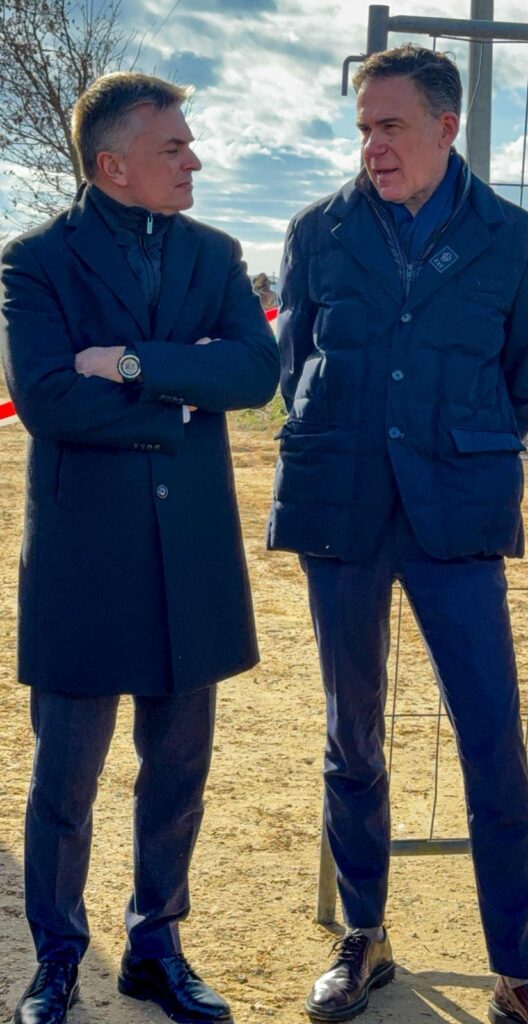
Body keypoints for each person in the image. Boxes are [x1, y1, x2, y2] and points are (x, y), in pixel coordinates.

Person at [267, 44, 528, 1024]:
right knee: (350, 734)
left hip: (457, 515)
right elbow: (295, 365)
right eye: (364, 129)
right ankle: (365, 936)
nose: (373, 147)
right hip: (342, 510)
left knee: (492, 741)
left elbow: (524, 379)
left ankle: (518, 972)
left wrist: (451, 448)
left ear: (447, 126)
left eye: (390, 126)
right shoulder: (318, 231)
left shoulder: (513, 238)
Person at [1, 71, 279, 1024]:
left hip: (191, 554)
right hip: (84, 560)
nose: (195, 159)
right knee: (65, 780)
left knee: (179, 772)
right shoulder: (35, 261)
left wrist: (126, 365)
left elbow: (253, 373)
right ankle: (57, 960)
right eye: (174, 147)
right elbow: (47, 399)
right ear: (112, 164)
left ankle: (155, 948)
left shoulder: (216, 253)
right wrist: (180, 400)